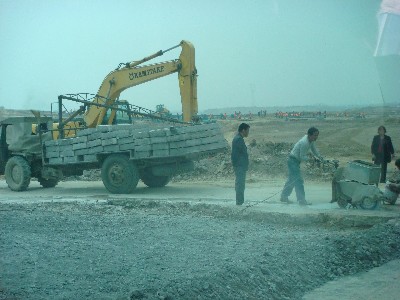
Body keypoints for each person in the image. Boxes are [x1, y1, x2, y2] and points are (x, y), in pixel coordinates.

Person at [280, 127, 323, 206]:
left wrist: (320, 157)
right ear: (309, 135)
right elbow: (301, 157)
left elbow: (314, 150)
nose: (316, 137)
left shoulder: (311, 140)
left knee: (291, 180)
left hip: (295, 161)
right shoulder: (304, 142)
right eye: (315, 135)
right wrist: (311, 159)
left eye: (317, 135)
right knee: (298, 181)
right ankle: (301, 200)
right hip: (293, 161)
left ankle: (284, 196)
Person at [231, 123, 250, 205]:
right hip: (239, 165)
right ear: (243, 130)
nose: (248, 132)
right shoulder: (238, 139)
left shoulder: (239, 138)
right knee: (240, 184)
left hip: (240, 165)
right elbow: (237, 154)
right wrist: (238, 165)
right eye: (248, 130)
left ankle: (240, 201)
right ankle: (239, 202)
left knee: (240, 184)